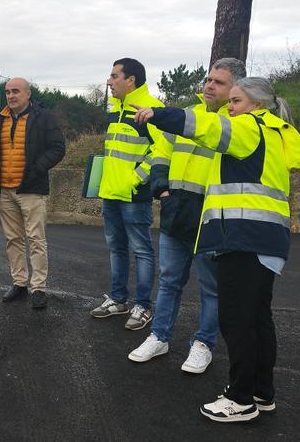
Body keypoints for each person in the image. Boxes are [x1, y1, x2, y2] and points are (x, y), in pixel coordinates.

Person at [133, 76, 300, 422]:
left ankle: (240, 399)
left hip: (244, 238)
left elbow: (202, 125)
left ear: (257, 105)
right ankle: (262, 392)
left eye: (236, 101)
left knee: (238, 321)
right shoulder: (273, 133)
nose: (230, 108)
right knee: (258, 319)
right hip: (267, 240)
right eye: (229, 102)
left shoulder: (248, 128)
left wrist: (157, 113)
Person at [127, 58, 246, 376]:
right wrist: (162, 190)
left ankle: (203, 344)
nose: (209, 85)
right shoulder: (188, 117)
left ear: (235, 88)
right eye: (208, 80)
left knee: (211, 288)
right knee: (168, 282)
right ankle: (159, 336)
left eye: (218, 82)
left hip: (212, 220)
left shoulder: (236, 125)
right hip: (176, 212)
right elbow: (161, 152)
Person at [89, 58, 162, 331]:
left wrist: (134, 179)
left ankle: (142, 305)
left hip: (134, 195)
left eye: (114, 76)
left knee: (142, 250)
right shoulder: (115, 109)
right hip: (110, 193)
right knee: (116, 248)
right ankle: (119, 300)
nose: (109, 81)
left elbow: (161, 152)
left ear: (130, 80)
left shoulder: (151, 108)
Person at [0, 77, 65, 309]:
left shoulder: (44, 117)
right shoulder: (0, 118)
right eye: (8, 92)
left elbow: (58, 148)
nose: (11, 96)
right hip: (5, 190)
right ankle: (19, 283)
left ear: (28, 94)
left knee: (36, 239)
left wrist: (37, 169)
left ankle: (38, 288)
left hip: (31, 189)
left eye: (16, 91)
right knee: (13, 239)